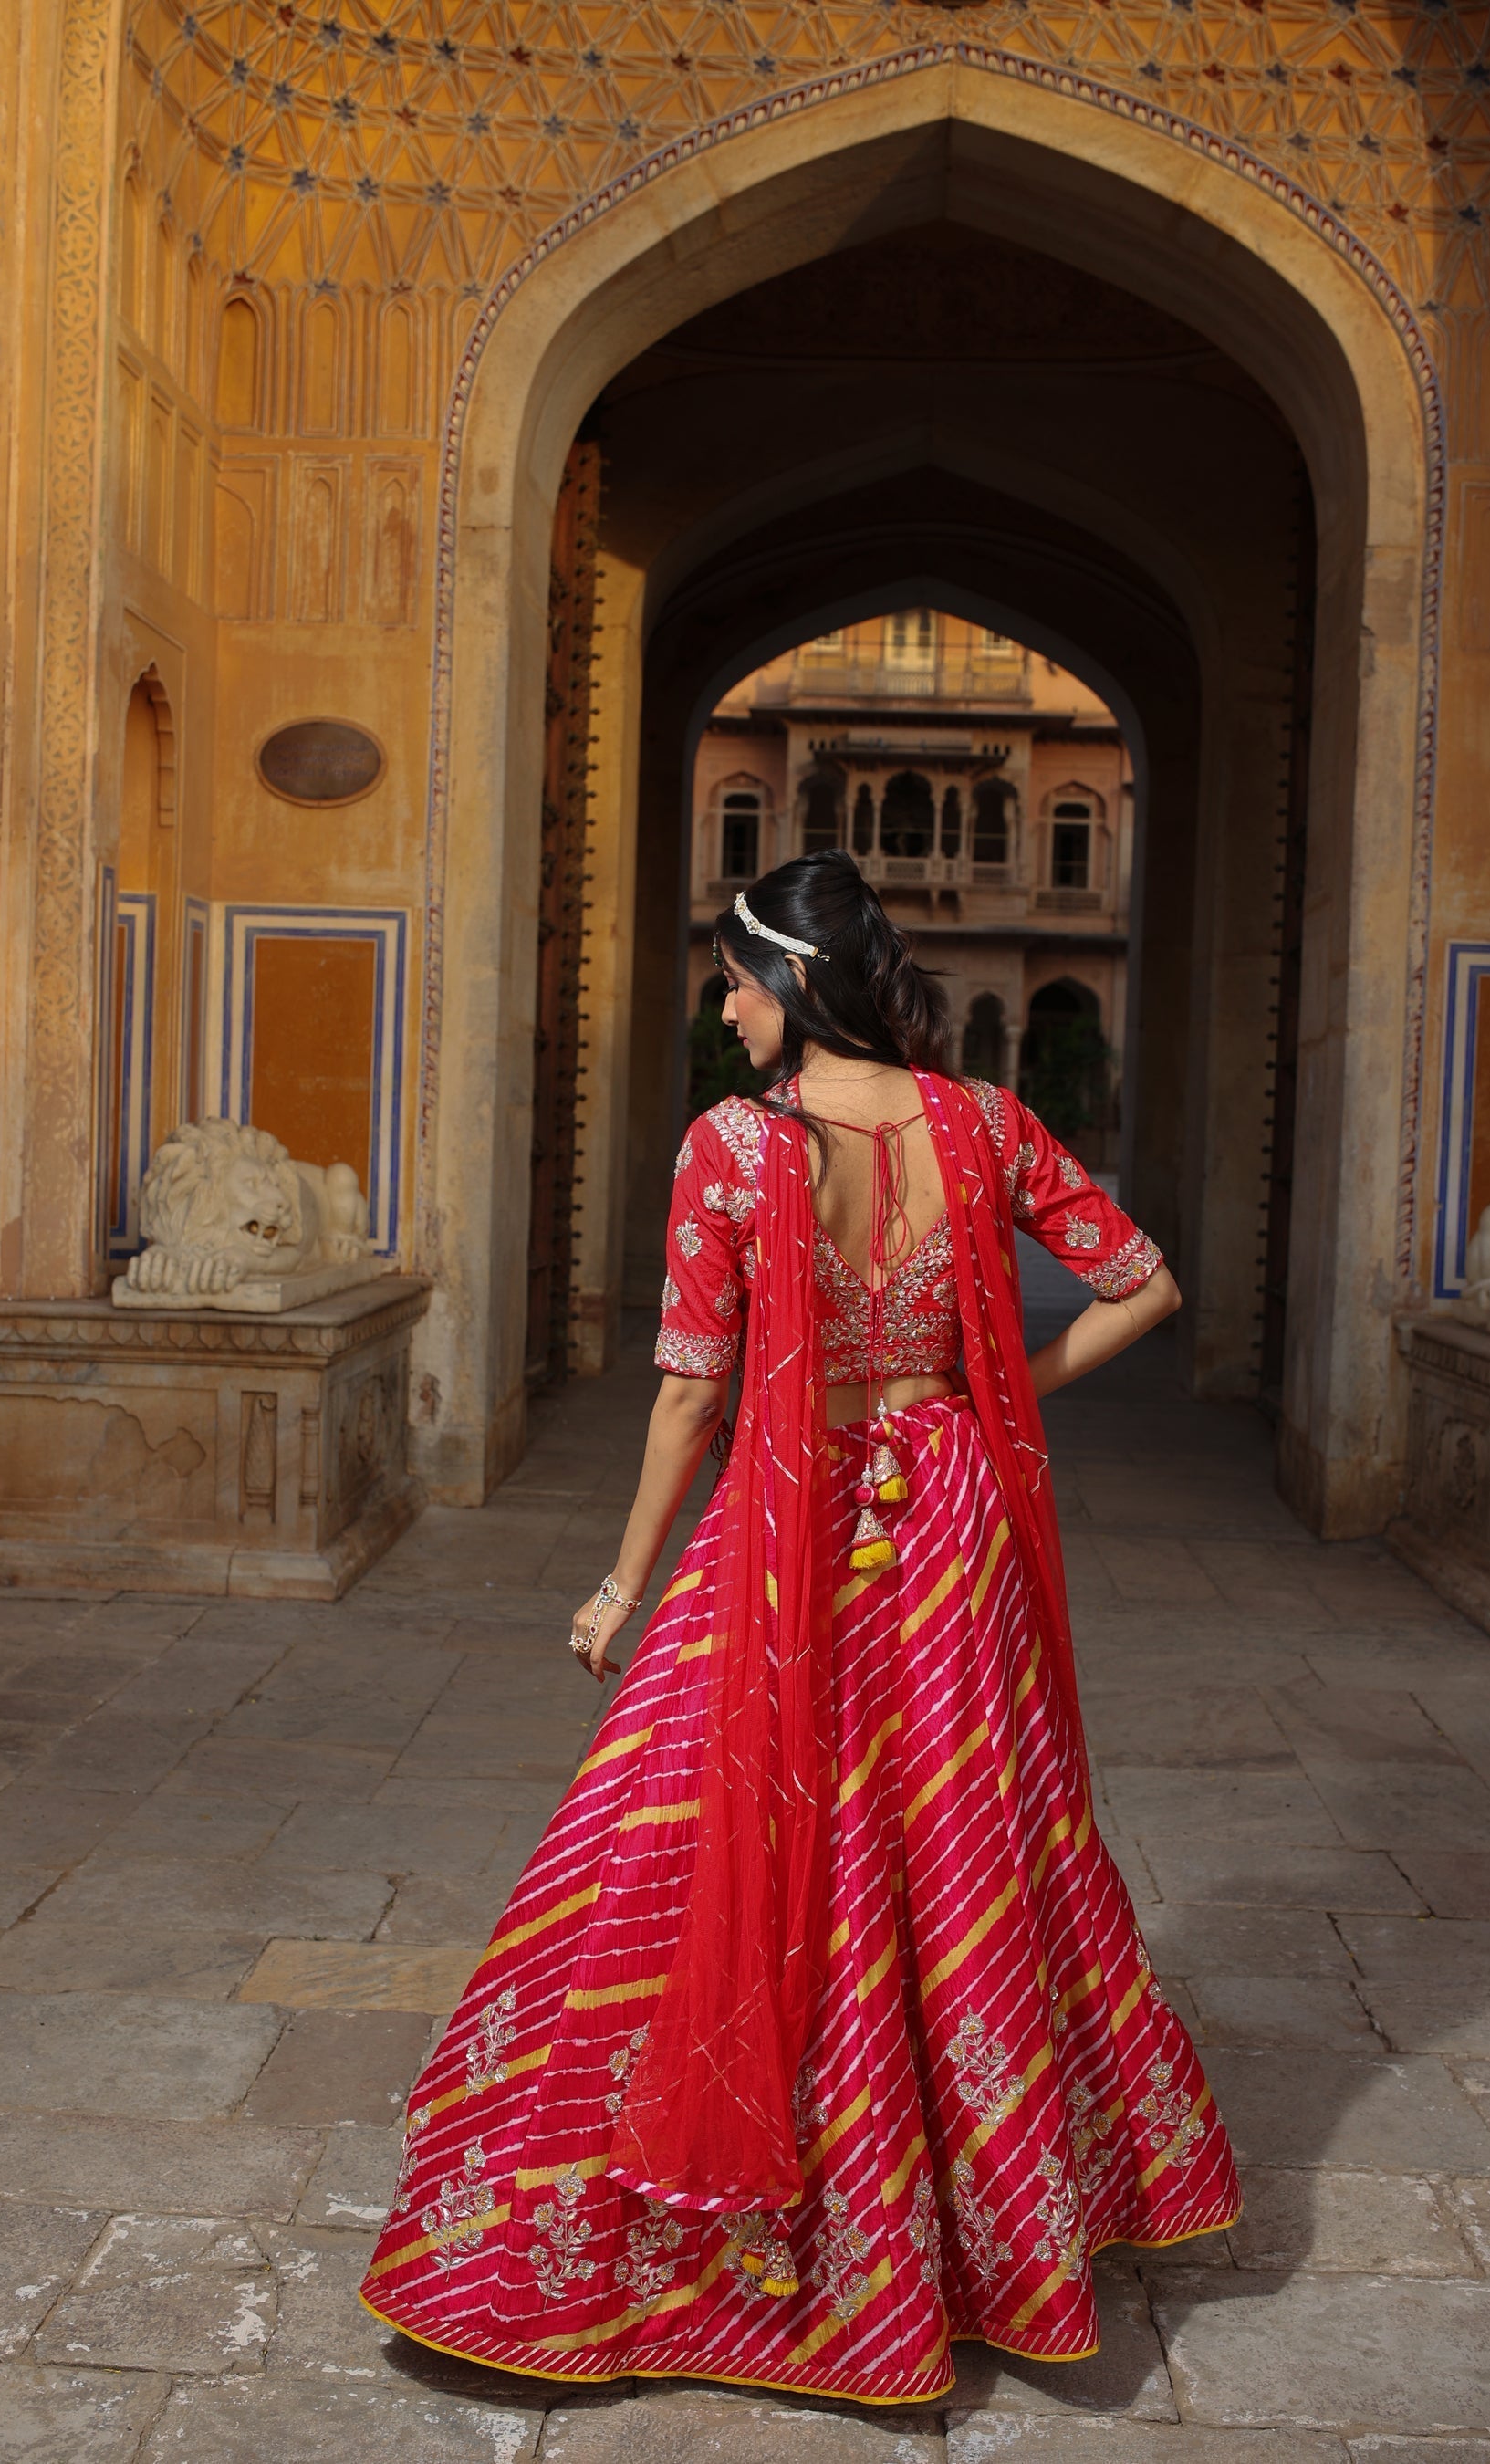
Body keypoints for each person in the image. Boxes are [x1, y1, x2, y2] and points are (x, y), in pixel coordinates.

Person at [362, 851, 1239, 2405]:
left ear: (791, 983)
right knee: (957, 1840)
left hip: (791, 1530)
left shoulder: (734, 1150)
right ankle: (983, 2239)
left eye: (733, 981)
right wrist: (991, 1401)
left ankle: (682, 2253)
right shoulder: (975, 1122)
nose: (724, 1007)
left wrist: (623, 1584)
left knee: (699, 1840)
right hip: (950, 1512)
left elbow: (697, 1392)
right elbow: (1143, 1282)